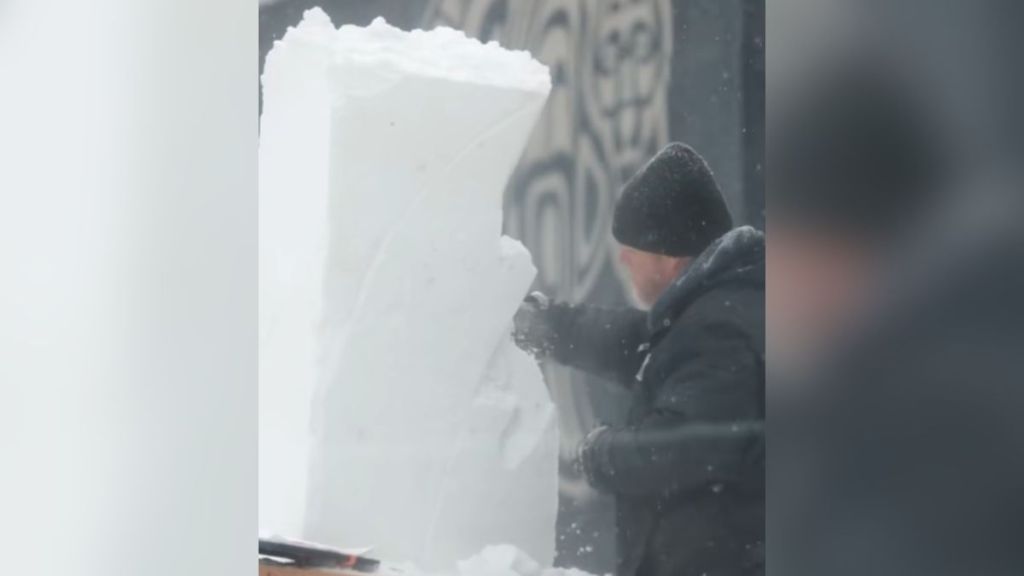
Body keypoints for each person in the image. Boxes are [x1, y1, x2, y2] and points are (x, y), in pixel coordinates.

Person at [513, 142, 765, 576]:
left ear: (669, 256)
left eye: (633, 246)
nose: (623, 258)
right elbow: (637, 343)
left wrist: (600, 452)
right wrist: (553, 326)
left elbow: (679, 449)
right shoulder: (720, 308)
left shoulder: (718, 330)